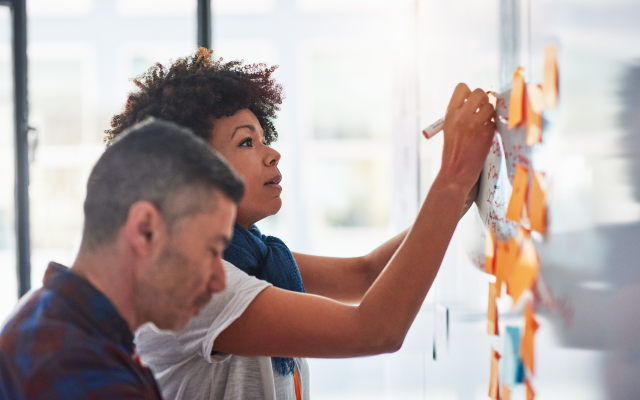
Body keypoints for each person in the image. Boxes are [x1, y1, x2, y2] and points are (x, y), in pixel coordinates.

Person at [106, 48, 495, 400]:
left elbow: (366, 274)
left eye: (264, 138)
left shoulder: (253, 258)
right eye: (247, 143)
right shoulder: (189, 285)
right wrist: (452, 176)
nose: (272, 153)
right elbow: (375, 330)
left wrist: (458, 197)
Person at [0, 119, 247, 399]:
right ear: (145, 230)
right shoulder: (77, 368)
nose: (219, 281)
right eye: (211, 251)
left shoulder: (56, 320)